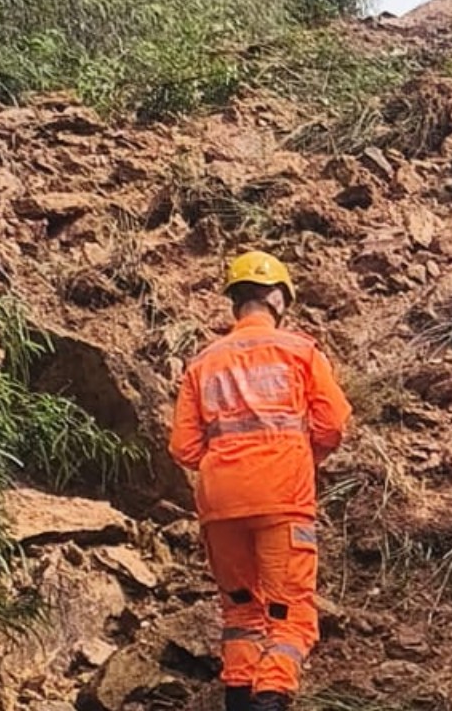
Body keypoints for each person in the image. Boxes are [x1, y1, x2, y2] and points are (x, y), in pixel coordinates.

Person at [169, 251, 353, 711]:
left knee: (242, 613)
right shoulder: (300, 351)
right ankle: (270, 700)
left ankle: (238, 699)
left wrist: (227, 460)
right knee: (289, 617)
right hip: (281, 499)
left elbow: (184, 449)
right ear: (277, 297)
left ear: (234, 300)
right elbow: (332, 425)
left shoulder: (204, 362)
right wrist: (297, 456)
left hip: (221, 506)